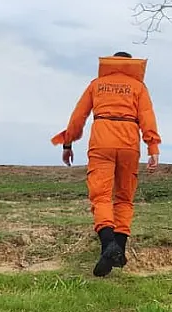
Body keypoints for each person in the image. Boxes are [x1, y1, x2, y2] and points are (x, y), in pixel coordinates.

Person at [52, 51, 162, 277]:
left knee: (101, 196)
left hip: (102, 139)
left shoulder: (97, 84)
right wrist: (153, 148)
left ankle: (108, 244)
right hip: (129, 141)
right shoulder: (138, 87)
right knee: (124, 197)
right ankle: (118, 248)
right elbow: (148, 117)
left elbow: (78, 117)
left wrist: (67, 143)